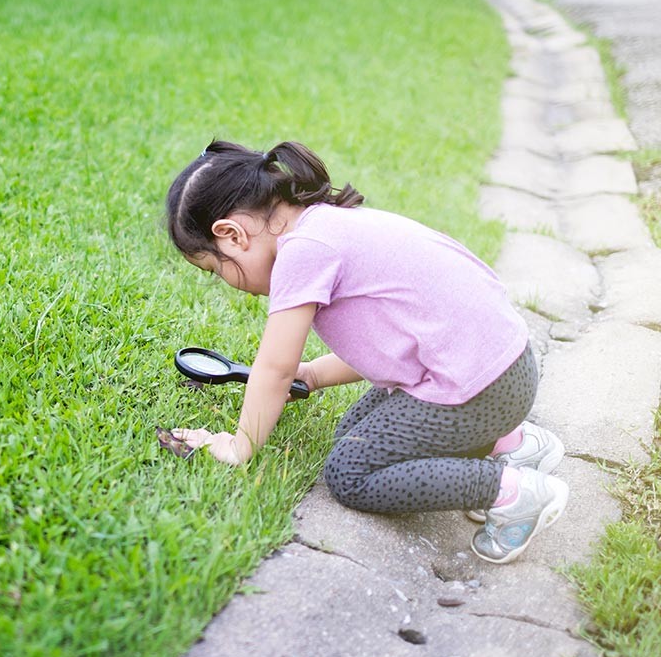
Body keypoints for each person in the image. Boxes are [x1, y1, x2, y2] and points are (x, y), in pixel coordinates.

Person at [165, 139, 569, 564]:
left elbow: (274, 367)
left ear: (231, 235)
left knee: (351, 473)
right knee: (354, 434)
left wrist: (239, 445)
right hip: (502, 366)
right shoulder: (327, 224)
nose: (226, 281)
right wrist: (316, 375)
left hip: (481, 388)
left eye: (215, 270)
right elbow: (387, 344)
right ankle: (513, 444)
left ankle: (513, 494)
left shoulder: (301, 253)